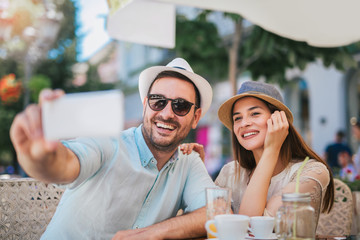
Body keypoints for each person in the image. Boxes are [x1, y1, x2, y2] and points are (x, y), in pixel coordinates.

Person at [10, 58, 217, 239]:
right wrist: (37, 156)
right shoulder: (108, 142)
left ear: (195, 117)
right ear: (145, 105)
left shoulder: (188, 161)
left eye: (180, 105)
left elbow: (218, 211)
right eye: (158, 102)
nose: (167, 113)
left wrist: (153, 232)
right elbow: (62, 165)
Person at [182, 81, 334, 222]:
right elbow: (209, 219)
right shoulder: (230, 172)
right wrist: (197, 170)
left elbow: (251, 225)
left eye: (255, 113)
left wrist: (271, 150)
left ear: (279, 119)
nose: (244, 123)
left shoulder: (312, 172)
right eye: (237, 118)